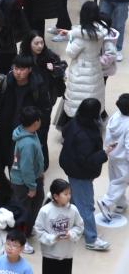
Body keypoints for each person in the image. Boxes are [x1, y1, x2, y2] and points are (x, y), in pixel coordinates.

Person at [59, 98, 112, 251]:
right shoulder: (85, 135)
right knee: (86, 206)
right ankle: (91, 239)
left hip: (71, 167)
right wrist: (105, 152)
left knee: (76, 201)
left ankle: (76, 226)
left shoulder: (75, 121)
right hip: (80, 173)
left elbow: (65, 132)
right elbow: (88, 160)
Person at [19, 32, 66, 168]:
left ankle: (43, 162)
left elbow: (62, 67)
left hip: (45, 102)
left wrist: (54, 68)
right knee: (27, 132)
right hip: (28, 102)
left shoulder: (49, 56)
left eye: (41, 43)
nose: (40, 46)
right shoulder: (23, 59)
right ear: (29, 44)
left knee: (42, 133)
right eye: (36, 43)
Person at [0, 55, 50, 168]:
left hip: (27, 134)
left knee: (21, 164)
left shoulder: (38, 87)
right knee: (8, 161)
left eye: (22, 69)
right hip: (7, 131)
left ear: (30, 69)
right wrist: (0, 122)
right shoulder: (6, 83)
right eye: (16, 68)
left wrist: (40, 133)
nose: (18, 72)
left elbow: (44, 112)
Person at [63, 1, 110, 120]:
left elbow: (70, 52)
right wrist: (70, 33)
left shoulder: (81, 38)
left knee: (78, 102)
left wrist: (71, 38)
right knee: (94, 95)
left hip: (81, 72)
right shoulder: (100, 30)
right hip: (95, 68)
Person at [10, 106, 45, 248]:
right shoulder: (28, 143)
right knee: (23, 211)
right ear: (36, 122)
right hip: (24, 183)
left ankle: (27, 230)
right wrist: (32, 187)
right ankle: (19, 240)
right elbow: (26, 168)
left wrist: (40, 172)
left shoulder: (29, 132)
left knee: (36, 203)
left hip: (33, 178)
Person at [34, 178, 84, 274]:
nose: (69, 196)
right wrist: (53, 238)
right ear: (56, 196)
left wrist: (71, 234)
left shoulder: (73, 209)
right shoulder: (45, 211)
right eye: (65, 194)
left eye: (70, 193)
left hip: (67, 253)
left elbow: (79, 226)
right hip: (49, 255)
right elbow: (39, 230)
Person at [97, 93, 129, 220]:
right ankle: (106, 202)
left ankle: (120, 204)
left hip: (113, 155)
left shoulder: (115, 116)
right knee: (121, 182)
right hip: (124, 159)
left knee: (115, 180)